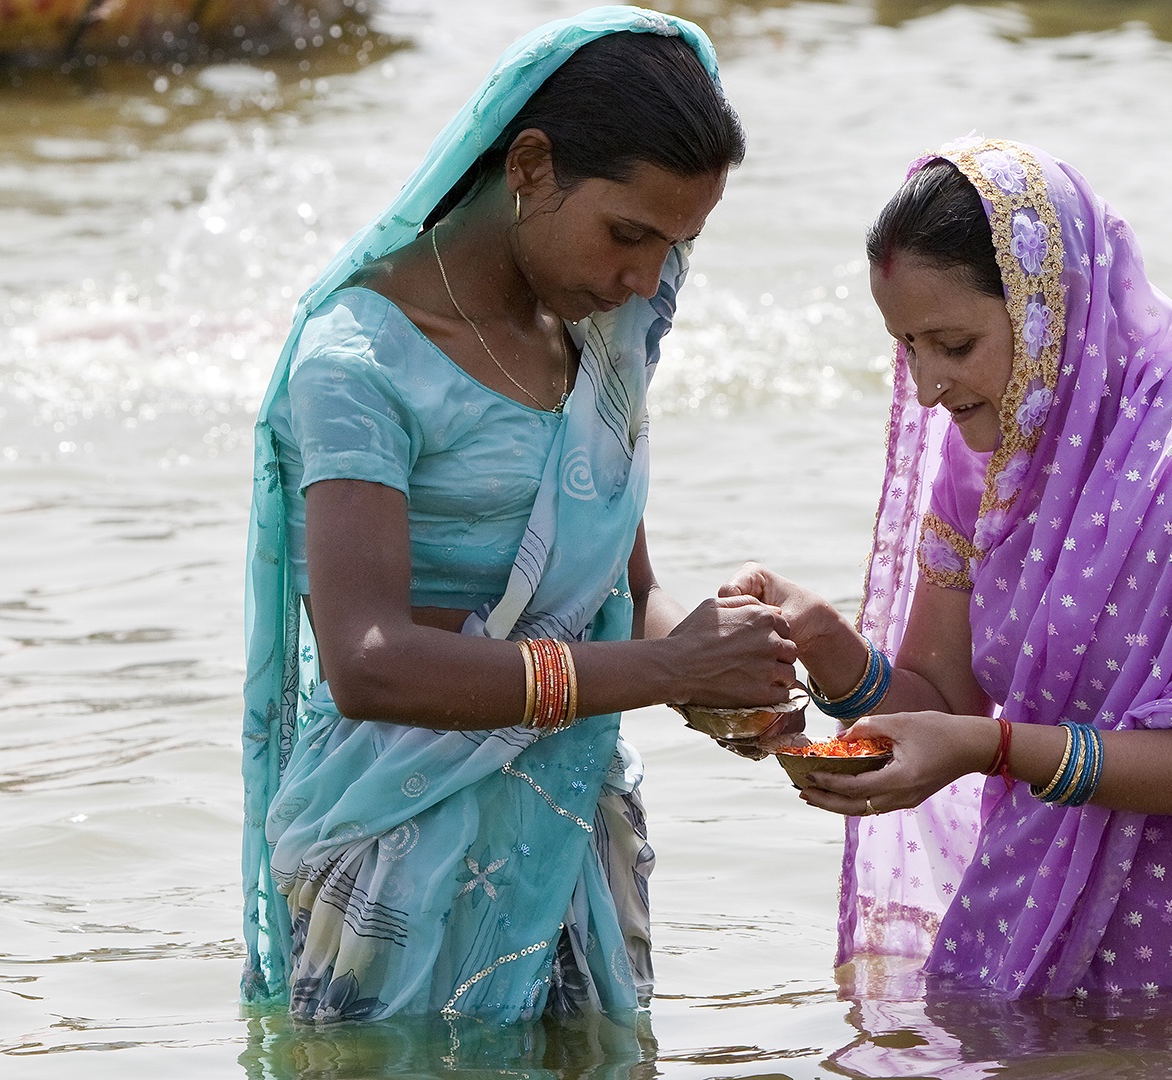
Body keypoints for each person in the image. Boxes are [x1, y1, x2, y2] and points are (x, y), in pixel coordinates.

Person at [722, 138, 1172, 1021]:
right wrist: (824, 645)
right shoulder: (993, 459)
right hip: (1031, 935)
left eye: (955, 343)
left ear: (1054, 307)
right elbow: (948, 698)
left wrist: (995, 752)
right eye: (908, 348)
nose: (930, 388)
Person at [240, 8, 798, 1025]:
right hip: (396, 850)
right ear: (532, 166)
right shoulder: (362, 359)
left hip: (573, 823)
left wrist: (726, 679)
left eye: (676, 244)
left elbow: (625, 598)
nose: (645, 277)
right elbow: (369, 661)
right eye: (629, 234)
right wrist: (668, 670)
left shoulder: (600, 339)